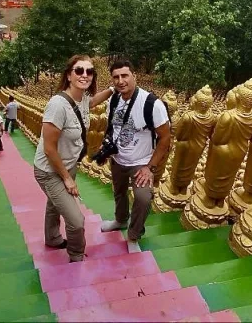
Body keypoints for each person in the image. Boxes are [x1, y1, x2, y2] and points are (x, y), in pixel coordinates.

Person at [33, 55, 114, 262]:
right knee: (76, 220)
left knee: (54, 204)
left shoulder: (82, 99)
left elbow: (92, 102)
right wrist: (67, 179)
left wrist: (114, 90)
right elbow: (49, 149)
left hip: (68, 165)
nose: (84, 75)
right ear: (69, 75)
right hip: (50, 170)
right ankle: (77, 255)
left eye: (89, 71)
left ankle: (52, 238)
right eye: (79, 71)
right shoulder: (58, 105)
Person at [99, 59, 172, 250]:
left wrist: (150, 168)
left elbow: (165, 138)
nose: (120, 81)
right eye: (116, 77)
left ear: (134, 76)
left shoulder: (152, 104)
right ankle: (120, 220)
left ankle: (133, 235)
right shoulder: (113, 99)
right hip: (118, 159)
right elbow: (112, 127)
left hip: (141, 162)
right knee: (118, 192)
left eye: (125, 75)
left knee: (143, 197)